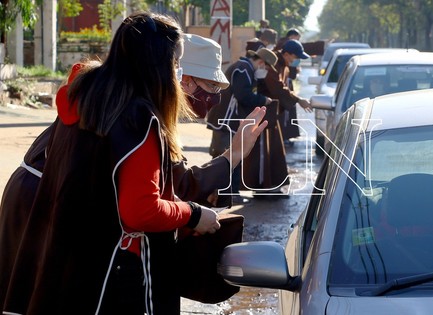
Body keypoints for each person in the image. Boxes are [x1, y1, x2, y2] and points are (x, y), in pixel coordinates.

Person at [0, 12, 267, 315]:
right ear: (163, 66)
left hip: (61, 221)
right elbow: (144, 206)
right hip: (71, 225)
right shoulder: (138, 117)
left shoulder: (93, 94)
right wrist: (196, 210)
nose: (177, 74)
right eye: (176, 65)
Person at [206, 48, 277, 204]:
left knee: (230, 157)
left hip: (229, 122)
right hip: (226, 121)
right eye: (265, 67)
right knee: (228, 157)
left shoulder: (245, 68)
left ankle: (227, 193)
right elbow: (243, 95)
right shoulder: (243, 68)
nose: (264, 71)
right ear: (260, 62)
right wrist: (262, 100)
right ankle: (227, 194)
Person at [245, 39, 312, 196]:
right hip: (263, 112)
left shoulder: (285, 66)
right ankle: (262, 187)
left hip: (273, 112)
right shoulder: (271, 64)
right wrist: (298, 100)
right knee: (263, 150)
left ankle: (271, 184)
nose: (295, 61)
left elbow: (284, 88)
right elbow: (278, 89)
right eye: (294, 58)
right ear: (287, 54)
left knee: (273, 149)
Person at [180, 34, 229, 119]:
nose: (216, 98)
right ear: (186, 80)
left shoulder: (164, 114)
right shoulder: (153, 116)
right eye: (213, 85)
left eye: (217, 88)